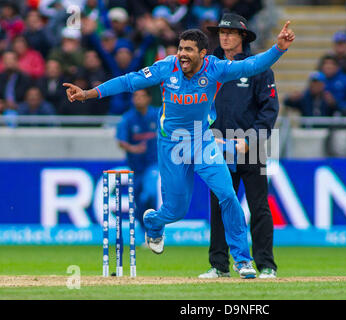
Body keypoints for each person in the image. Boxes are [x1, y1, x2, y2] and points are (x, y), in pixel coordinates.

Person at [63, 22, 295, 279]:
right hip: (172, 145)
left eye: (189, 50)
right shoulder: (166, 66)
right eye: (180, 48)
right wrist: (88, 94)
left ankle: (242, 260)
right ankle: (153, 222)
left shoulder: (216, 68)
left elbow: (251, 66)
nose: (182, 54)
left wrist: (279, 49)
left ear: (203, 54)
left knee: (227, 195)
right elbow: (129, 82)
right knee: (176, 210)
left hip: (203, 141)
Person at [197, 13, 278, 280]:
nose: (225, 37)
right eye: (222, 33)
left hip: (251, 146)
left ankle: (266, 264)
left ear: (243, 37)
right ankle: (219, 265)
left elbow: (269, 110)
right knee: (220, 205)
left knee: (259, 206)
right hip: (217, 146)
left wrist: (250, 139)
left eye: (231, 33)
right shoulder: (208, 67)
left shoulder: (258, 67)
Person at [116, 89, 160, 228]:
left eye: (142, 96)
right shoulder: (127, 118)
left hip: (153, 163)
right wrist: (134, 149)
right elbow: (121, 141)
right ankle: (146, 231)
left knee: (150, 193)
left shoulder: (157, 114)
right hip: (135, 166)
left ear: (148, 99)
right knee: (139, 200)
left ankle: (154, 228)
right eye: (136, 96)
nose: (138, 99)